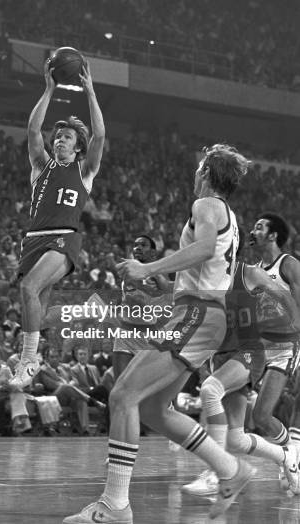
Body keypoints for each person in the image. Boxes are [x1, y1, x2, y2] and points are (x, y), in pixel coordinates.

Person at [63, 144, 250, 523]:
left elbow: (203, 249)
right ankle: (230, 469)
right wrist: (161, 281)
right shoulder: (227, 213)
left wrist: (147, 271)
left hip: (196, 314)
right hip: (201, 314)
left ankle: (115, 505)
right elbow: (205, 264)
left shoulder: (206, 205)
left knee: (122, 395)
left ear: (205, 173)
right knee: (151, 408)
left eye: (199, 167)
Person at [10, 57, 105, 390]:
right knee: (35, 308)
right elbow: (34, 130)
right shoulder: (41, 165)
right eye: (58, 137)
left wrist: (90, 92)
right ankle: (84, 311)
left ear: (77, 146)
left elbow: (99, 136)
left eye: (66, 137)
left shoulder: (84, 171)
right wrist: (48, 90)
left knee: (27, 288)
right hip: (34, 240)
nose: (59, 140)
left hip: (64, 239)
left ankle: (28, 359)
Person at [183, 229, 300, 496]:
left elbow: (285, 301)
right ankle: (286, 457)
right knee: (235, 438)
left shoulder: (247, 273)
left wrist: (287, 330)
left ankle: (218, 473)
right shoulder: (202, 280)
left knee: (211, 390)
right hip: (222, 355)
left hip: (249, 351)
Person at [249, 213, 300, 469]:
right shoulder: (255, 271)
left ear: (273, 235)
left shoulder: (289, 264)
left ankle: (291, 458)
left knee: (265, 413)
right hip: (259, 348)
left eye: (259, 227)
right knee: (257, 416)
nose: (253, 231)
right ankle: (290, 456)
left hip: (286, 346)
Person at [112, 234, 172, 381]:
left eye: (143, 245)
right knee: (120, 386)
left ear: (153, 253)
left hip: (150, 336)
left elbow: (166, 291)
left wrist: (152, 274)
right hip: (125, 333)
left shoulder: (160, 272)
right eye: (135, 245)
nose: (137, 247)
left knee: (152, 390)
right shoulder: (128, 268)